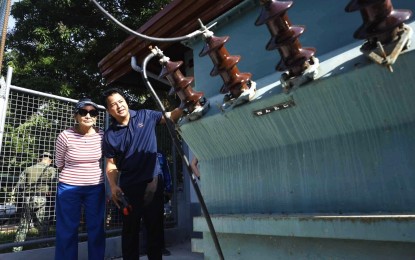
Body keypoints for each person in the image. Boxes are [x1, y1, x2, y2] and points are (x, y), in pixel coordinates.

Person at [101, 88, 183, 260]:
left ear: (125, 100)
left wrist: (185, 103)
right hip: (128, 187)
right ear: (109, 110)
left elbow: (170, 116)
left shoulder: (146, 115)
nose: (119, 106)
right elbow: (111, 164)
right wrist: (114, 185)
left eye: (120, 101)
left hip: (153, 182)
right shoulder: (109, 135)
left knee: (154, 228)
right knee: (130, 231)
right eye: (113, 104)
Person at [54, 98, 106, 260]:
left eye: (93, 112)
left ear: (97, 116)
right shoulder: (65, 136)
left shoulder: (102, 135)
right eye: (83, 112)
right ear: (75, 116)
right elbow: (59, 163)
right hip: (68, 188)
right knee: (67, 229)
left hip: (96, 188)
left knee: (96, 228)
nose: (88, 115)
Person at [11, 152, 56, 252]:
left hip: (28, 198)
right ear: (50, 161)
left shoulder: (28, 169)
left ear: (38, 159)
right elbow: (54, 184)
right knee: (43, 224)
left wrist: (22, 196)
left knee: (24, 224)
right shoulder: (51, 170)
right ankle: (43, 247)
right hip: (42, 198)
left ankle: (17, 249)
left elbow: (19, 186)